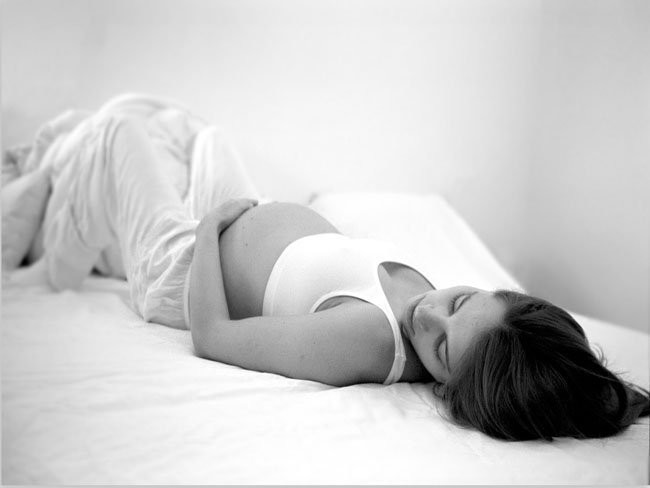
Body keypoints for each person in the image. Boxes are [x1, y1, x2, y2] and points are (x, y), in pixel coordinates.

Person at [21, 113, 649, 442]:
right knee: (197, 133)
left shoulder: (368, 340)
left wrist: (210, 228)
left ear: (451, 385)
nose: (430, 313)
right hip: (232, 219)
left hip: (185, 269)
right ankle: (67, 199)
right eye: (460, 302)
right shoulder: (432, 308)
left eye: (441, 347)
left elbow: (212, 335)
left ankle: (49, 220)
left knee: (121, 130)